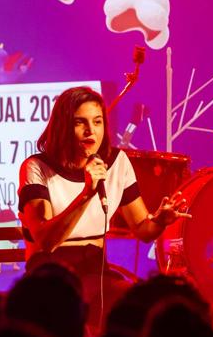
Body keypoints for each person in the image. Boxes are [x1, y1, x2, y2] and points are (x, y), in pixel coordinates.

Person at [17, 86, 190, 323]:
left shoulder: (116, 162)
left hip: (95, 268)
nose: (91, 131)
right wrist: (87, 193)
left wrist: (159, 220)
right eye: (80, 123)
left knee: (140, 306)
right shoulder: (36, 167)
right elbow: (46, 241)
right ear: (63, 126)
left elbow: (142, 229)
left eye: (97, 122)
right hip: (50, 273)